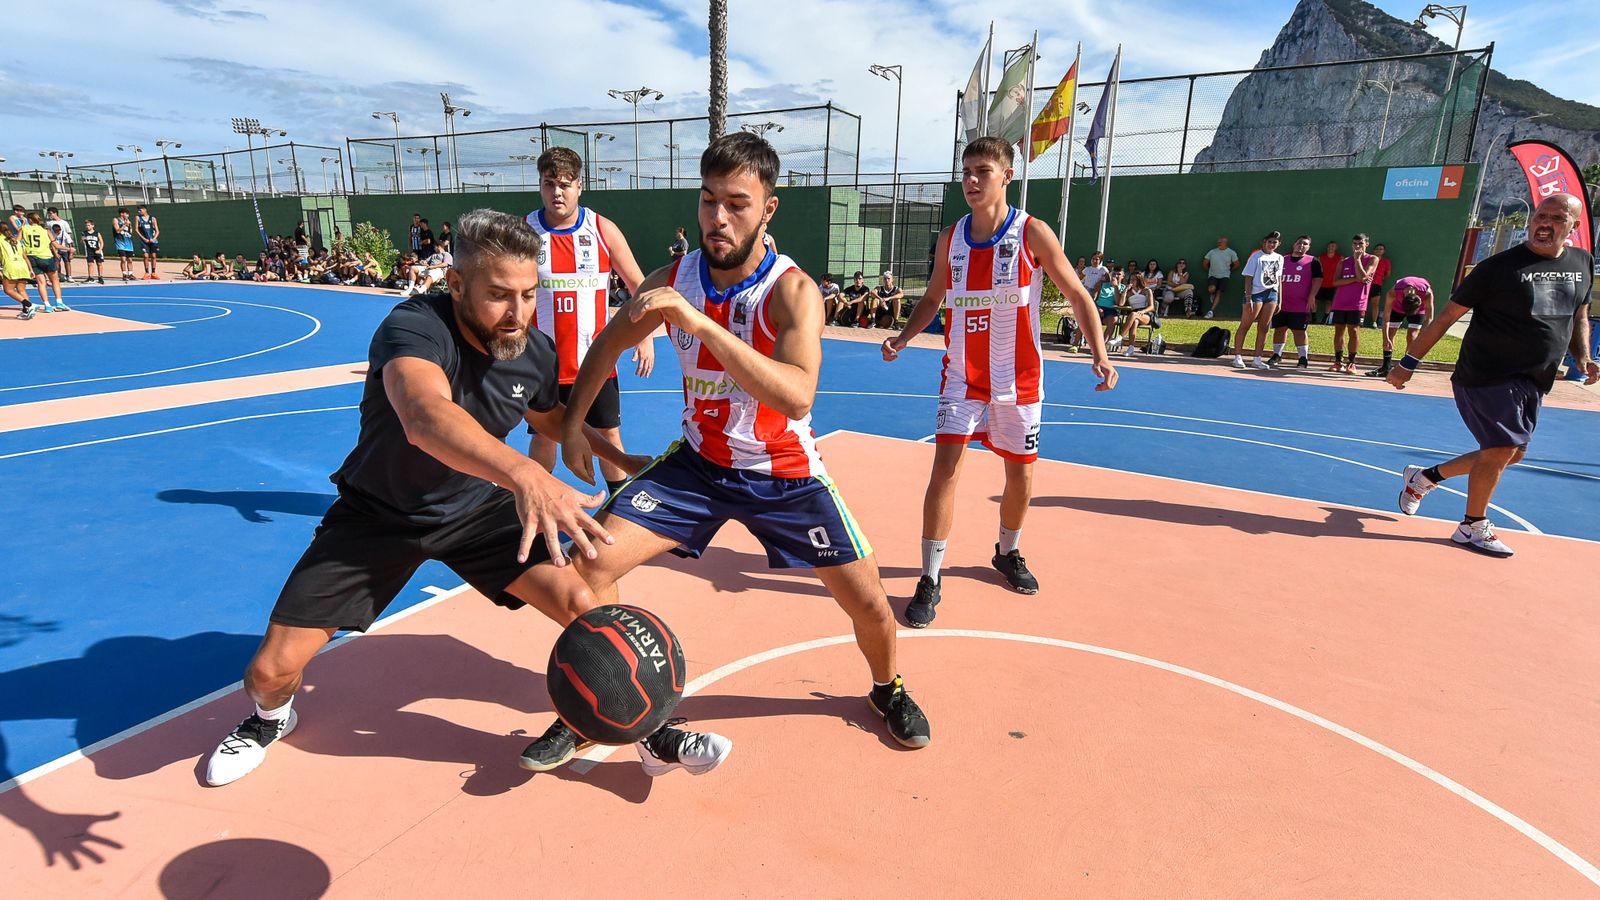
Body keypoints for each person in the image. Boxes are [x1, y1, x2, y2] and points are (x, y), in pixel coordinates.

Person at [201, 209, 730, 786]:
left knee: (585, 602)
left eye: (529, 293)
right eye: (499, 295)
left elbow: (549, 417)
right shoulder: (415, 328)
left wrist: (620, 459)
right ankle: (271, 719)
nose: (518, 312)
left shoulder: (532, 349)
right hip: (377, 515)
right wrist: (526, 474)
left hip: (474, 509)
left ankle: (649, 732)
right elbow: (423, 415)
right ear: (456, 284)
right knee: (269, 672)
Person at [510, 133, 932, 772]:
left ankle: (886, 688)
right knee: (586, 568)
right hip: (698, 467)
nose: (718, 218)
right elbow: (606, 346)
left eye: (737, 203)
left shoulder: (792, 291)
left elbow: (797, 396)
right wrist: (571, 425)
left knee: (870, 602)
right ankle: (600, 703)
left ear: (769, 208)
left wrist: (702, 324)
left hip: (784, 473)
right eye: (708, 200)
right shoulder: (673, 279)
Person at [883, 134, 1116, 626]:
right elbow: (933, 298)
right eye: (966, 172)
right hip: (962, 377)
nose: (971, 180)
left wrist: (1099, 353)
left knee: (1020, 476)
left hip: (1020, 379)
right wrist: (902, 338)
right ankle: (929, 577)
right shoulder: (951, 239)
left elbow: (1077, 294)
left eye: (982, 171)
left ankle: (1007, 551)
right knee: (944, 471)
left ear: (1007, 176)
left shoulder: (1032, 233)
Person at [1387, 194, 1595, 558]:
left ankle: (1426, 477)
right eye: (1540, 216)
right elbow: (1446, 316)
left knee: (1510, 454)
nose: (1545, 224)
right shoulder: (1497, 268)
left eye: (1557, 218)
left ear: (1574, 226)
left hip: (1535, 377)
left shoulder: (1582, 262)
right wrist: (1408, 362)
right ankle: (1472, 526)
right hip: (1486, 373)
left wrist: (1584, 357)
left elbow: (1579, 314)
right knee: (1500, 449)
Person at [522, 146, 656, 499]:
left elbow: (640, 287)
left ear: (579, 186)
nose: (557, 192)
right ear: (540, 186)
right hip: (542, 364)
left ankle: (620, 503)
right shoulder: (524, 231)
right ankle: (535, 502)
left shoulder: (601, 229)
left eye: (565, 184)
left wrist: (644, 337)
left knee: (608, 435)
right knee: (543, 438)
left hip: (595, 361)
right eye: (549, 183)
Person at [1267, 235, 1322, 369]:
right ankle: (1277, 355)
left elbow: (1318, 280)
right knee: (1280, 329)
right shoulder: (1282, 259)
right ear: (1294, 244)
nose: (1301, 245)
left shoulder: (1313, 261)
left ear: (1309, 247)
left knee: (1299, 331)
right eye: (1299, 243)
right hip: (1281, 303)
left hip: (1301, 304)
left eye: (1305, 244)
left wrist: (1312, 296)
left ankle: (1303, 358)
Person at [1235, 232, 1284, 369]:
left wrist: (1279, 300)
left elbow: (1279, 279)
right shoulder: (1256, 257)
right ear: (1264, 242)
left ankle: (1257, 359)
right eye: (1270, 241)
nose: (1272, 244)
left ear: (1279, 244)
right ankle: (1237, 356)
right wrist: (1249, 297)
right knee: (1245, 325)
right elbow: (1248, 277)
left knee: (1264, 327)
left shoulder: (1279, 258)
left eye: (1275, 242)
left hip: (1272, 294)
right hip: (1256, 294)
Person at [1367, 276, 1433, 378]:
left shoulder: (1427, 293)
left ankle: (1405, 367)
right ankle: (1386, 368)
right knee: (1390, 333)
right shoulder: (1393, 292)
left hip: (1418, 310)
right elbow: (1386, 318)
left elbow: (1429, 318)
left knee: (1412, 336)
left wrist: (1421, 337)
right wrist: (1386, 338)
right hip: (1397, 308)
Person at [1328, 234, 1376, 374]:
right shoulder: (1343, 262)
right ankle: (1338, 362)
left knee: (1353, 331)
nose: (1357, 246)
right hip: (1340, 303)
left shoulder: (1373, 259)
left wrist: (1357, 260)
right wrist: (1355, 279)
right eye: (1355, 243)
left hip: (1358, 303)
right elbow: (1335, 282)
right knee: (1339, 331)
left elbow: (1363, 277)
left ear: (1367, 244)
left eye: (1360, 243)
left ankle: (1351, 363)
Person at [21, 213, 67, 312]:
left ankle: (47, 305)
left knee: (41, 283)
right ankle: (59, 302)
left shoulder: (24, 229)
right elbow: (56, 245)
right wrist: (69, 249)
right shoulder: (46, 230)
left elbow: (17, 240)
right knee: (55, 280)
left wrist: (22, 224)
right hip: (46, 257)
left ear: (30, 220)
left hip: (32, 257)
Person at [2, 223, 37, 319]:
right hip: (22, 266)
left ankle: (30, 305)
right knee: (21, 290)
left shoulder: (1, 240)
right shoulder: (15, 240)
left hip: (11, 266)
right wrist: (30, 269)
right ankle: (26, 311)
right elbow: (24, 256)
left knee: (8, 290)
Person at [1118, 272, 1156, 355]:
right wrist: (1125, 291)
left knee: (1133, 314)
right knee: (1134, 321)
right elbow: (1121, 304)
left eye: (1134, 279)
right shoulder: (1129, 292)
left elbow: (1151, 307)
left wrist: (1142, 311)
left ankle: (1119, 337)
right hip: (1134, 315)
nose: (1132, 281)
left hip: (1146, 314)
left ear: (1139, 280)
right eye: (1131, 279)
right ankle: (1131, 348)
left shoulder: (1146, 290)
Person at [1202, 236, 1238, 319]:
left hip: (1225, 276)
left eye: (1220, 242)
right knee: (1211, 289)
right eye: (1218, 242)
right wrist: (1210, 270)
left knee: (1219, 292)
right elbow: (1205, 263)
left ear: (1225, 243)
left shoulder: (1231, 252)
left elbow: (1237, 264)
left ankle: (1211, 311)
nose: (1219, 243)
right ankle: (1212, 293)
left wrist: (1229, 270)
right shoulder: (1212, 252)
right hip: (1213, 275)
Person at [1364, 243, 1392, 329]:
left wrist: (1380, 279)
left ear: (1384, 251)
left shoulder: (1386, 262)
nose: (1379, 250)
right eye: (1377, 249)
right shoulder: (1369, 259)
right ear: (1374, 250)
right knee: (1363, 302)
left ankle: (1374, 322)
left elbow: (1387, 274)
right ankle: (1359, 320)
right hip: (1366, 283)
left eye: (1381, 249)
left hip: (1377, 285)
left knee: (1375, 303)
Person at [1315, 239, 1342, 325]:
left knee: (1329, 302)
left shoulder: (1340, 258)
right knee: (1315, 300)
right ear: (1327, 247)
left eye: (1333, 246)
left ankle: (1325, 319)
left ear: (1336, 248)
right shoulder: (1320, 257)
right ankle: (1313, 317)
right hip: (1320, 284)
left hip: (1332, 284)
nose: (1331, 248)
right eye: (1330, 246)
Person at [45, 209, 74, 282]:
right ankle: (57, 275)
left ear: (55, 213)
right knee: (56, 262)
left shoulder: (64, 223)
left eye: (51, 213)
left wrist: (70, 250)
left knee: (67, 261)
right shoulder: (48, 223)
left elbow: (69, 235)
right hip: (54, 247)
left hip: (64, 247)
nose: (49, 215)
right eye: (48, 213)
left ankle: (69, 276)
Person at [135, 205, 160, 279]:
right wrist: (143, 238)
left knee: (154, 256)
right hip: (144, 241)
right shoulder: (138, 218)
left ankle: (153, 273)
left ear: (145, 210)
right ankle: (146, 273)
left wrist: (154, 238)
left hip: (153, 241)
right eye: (138, 210)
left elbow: (157, 231)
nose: (139, 211)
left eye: (140, 210)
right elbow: (136, 230)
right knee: (145, 256)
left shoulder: (153, 218)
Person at [113, 209, 136, 282]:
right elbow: (117, 230)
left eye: (128, 214)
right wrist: (124, 225)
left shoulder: (129, 222)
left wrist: (129, 226)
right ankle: (124, 274)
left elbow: (131, 231)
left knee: (130, 259)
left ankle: (130, 274)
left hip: (128, 243)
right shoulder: (116, 220)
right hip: (120, 243)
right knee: (123, 259)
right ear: (121, 214)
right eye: (126, 214)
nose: (127, 215)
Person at [80, 220, 106, 284]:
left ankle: (100, 277)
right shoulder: (84, 233)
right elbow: (81, 242)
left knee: (99, 263)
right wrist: (82, 240)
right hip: (89, 251)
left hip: (97, 250)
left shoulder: (97, 233)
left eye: (88, 225)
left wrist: (100, 250)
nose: (87, 226)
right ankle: (90, 277)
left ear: (92, 226)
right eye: (86, 225)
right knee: (90, 264)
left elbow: (102, 242)